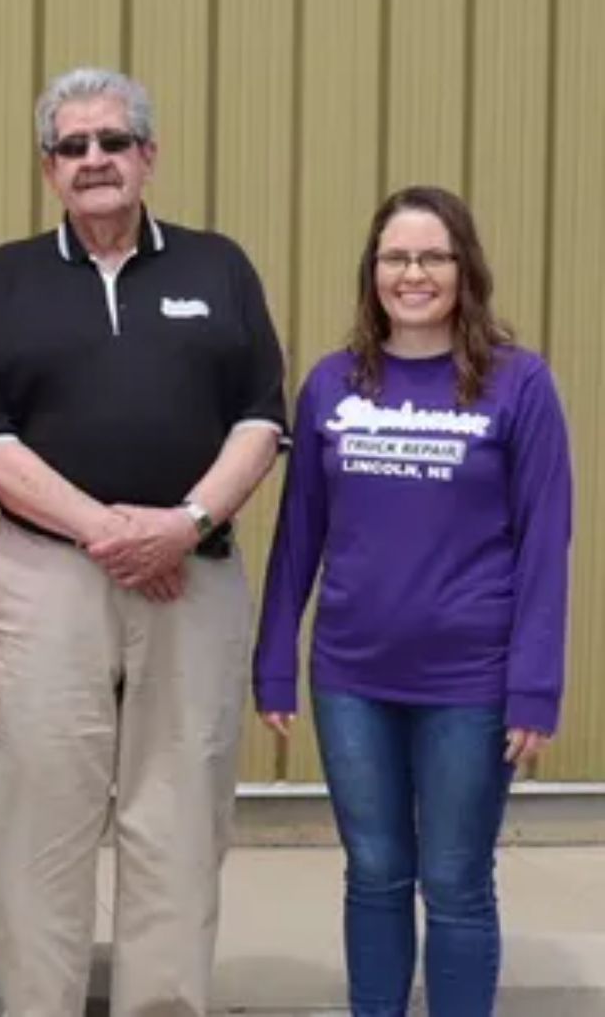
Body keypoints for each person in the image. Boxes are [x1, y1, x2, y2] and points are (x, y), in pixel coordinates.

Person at [0, 67, 286, 1016]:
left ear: (148, 154)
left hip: (194, 575)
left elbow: (262, 418)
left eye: (112, 140)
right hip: (50, 577)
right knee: (41, 822)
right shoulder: (7, 276)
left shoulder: (218, 266)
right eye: (72, 145)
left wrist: (182, 526)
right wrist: (107, 531)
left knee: (178, 820)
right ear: (48, 167)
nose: (93, 159)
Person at [253, 185, 571, 1017]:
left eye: (433, 255)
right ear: (373, 272)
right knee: (374, 870)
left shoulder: (520, 385)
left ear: (465, 268)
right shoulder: (332, 384)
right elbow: (298, 536)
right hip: (352, 675)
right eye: (396, 257)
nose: (414, 273)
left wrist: (536, 683)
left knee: (458, 880)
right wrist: (274, 661)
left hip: (471, 682)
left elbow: (546, 543)